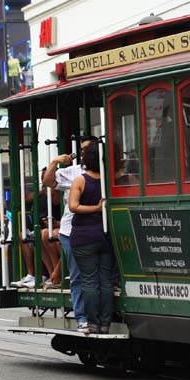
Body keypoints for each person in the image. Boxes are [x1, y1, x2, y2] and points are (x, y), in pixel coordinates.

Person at [42, 136, 99, 325]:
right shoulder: (74, 171)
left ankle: (97, 315)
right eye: (82, 150)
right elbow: (48, 182)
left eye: (88, 150)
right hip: (72, 229)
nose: (84, 154)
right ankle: (82, 317)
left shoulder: (105, 171)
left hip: (97, 228)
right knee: (78, 274)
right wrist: (55, 161)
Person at [69, 144, 114, 335]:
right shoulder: (108, 181)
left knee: (89, 282)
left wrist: (95, 208)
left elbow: (73, 206)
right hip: (104, 236)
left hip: (83, 236)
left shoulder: (80, 180)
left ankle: (93, 324)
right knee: (105, 281)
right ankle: (105, 323)